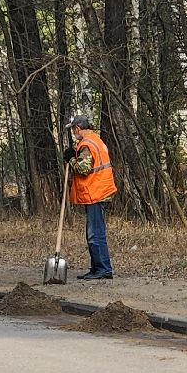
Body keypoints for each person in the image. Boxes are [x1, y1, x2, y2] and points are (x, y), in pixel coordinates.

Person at [64, 116, 117, 280]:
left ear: (78, 128)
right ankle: (97, 268)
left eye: (73, 129)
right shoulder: (95, 140)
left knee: (95, 233)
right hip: (98, 190)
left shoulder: (87, 144)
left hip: (95, 192)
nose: (73, 133)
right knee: (94, 232)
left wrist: (71, 158)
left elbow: (83, 169)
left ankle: (102, 269)